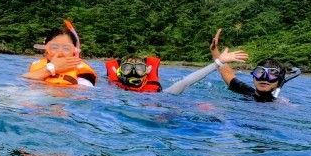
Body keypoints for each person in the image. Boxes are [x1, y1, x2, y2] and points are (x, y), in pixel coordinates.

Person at [105, 46, 248, 94]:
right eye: (128, 68)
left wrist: (218, 62)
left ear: (147, 71)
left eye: (139, 69)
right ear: (119, 72)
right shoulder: (110, 92)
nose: (134, 73)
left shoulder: (159, 94)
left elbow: (185, 82)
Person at [210, 28, 300, 102]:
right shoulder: (244, 91)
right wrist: (214, 50)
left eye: (272, 74)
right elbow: (227, 73)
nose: (264, 78)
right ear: (253, 75)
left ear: (279, 82)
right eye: (260, 72)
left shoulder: (282, 105)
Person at [22, 21, 97, 87]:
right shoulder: (38, 67)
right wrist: (50, 69)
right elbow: (20, 82)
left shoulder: (83, 74)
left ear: (74, 51)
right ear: (46, 50)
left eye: (66, 48)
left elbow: (83, 95)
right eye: (54, 47)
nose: (60, 53)